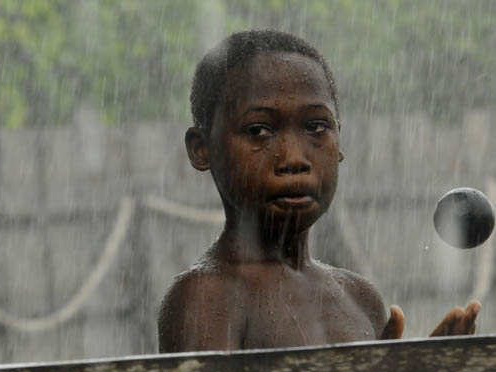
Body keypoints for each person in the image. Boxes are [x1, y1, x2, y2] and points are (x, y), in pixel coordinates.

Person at [157, 30, 480, 352]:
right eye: (259, 130)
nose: (294, 159)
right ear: (202, 149)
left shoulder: (359, 297)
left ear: (339, 141)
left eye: (316, 126)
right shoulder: (208, 294)